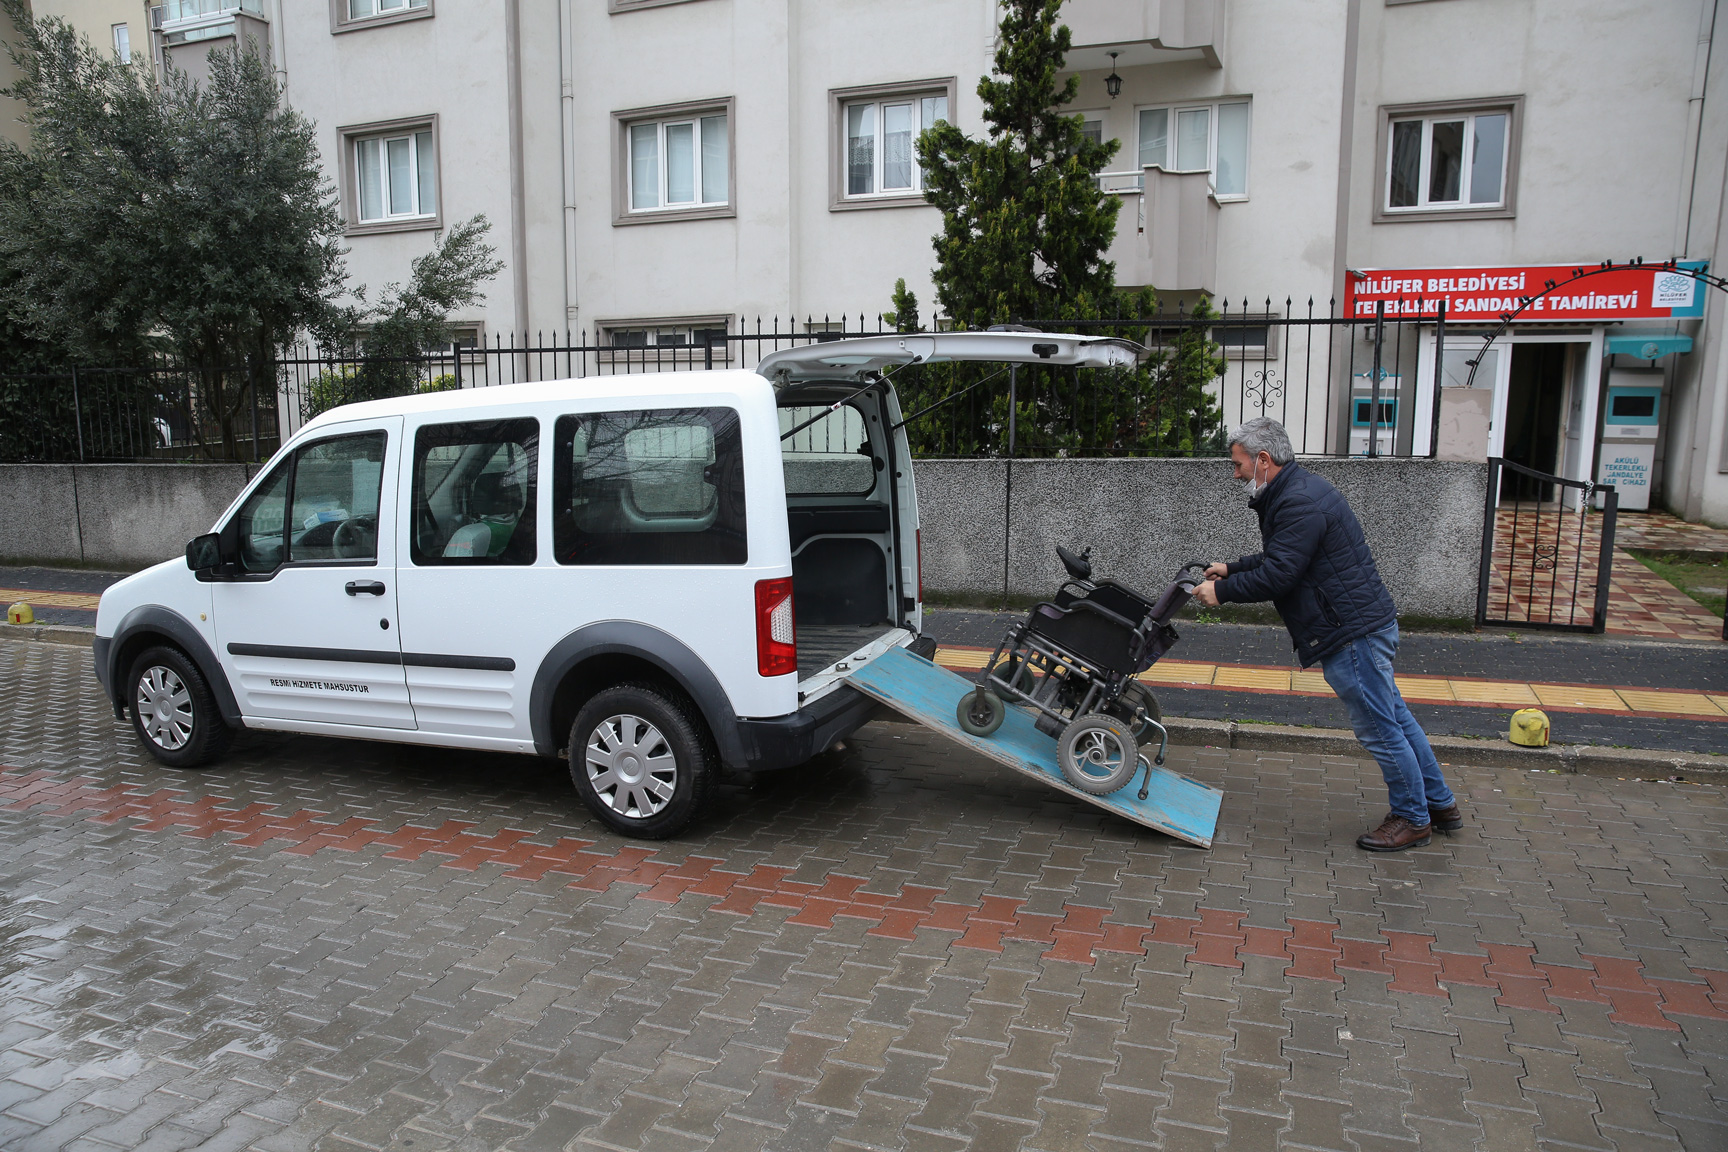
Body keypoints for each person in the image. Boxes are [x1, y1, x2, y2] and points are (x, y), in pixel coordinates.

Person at [1190, 417, 1461, 851]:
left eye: (1238, 464)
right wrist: (1233, 568)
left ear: (1263, 459)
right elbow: (1285, 555)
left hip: (1351, 634)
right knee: (1396, 719)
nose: (1235, 474)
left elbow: (1280, 574)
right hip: (1362, 624)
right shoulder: (1299, 490)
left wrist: (1221, 592)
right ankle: (1440, 804)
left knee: (1380, 729)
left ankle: (1413, 818)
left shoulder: (1297, 501)